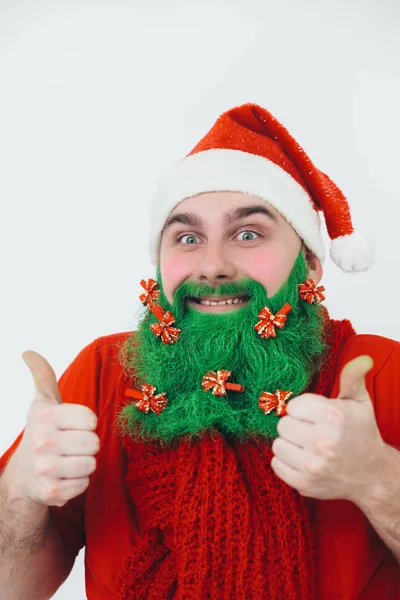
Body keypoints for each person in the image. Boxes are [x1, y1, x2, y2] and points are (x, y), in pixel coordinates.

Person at [1, 102, 400, 600]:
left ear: (312, 265)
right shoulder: (105, 373)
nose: (212, 266)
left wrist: (378, 480)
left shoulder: (380, 373)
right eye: (187, 237)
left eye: (248, 233)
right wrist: (18, 492)